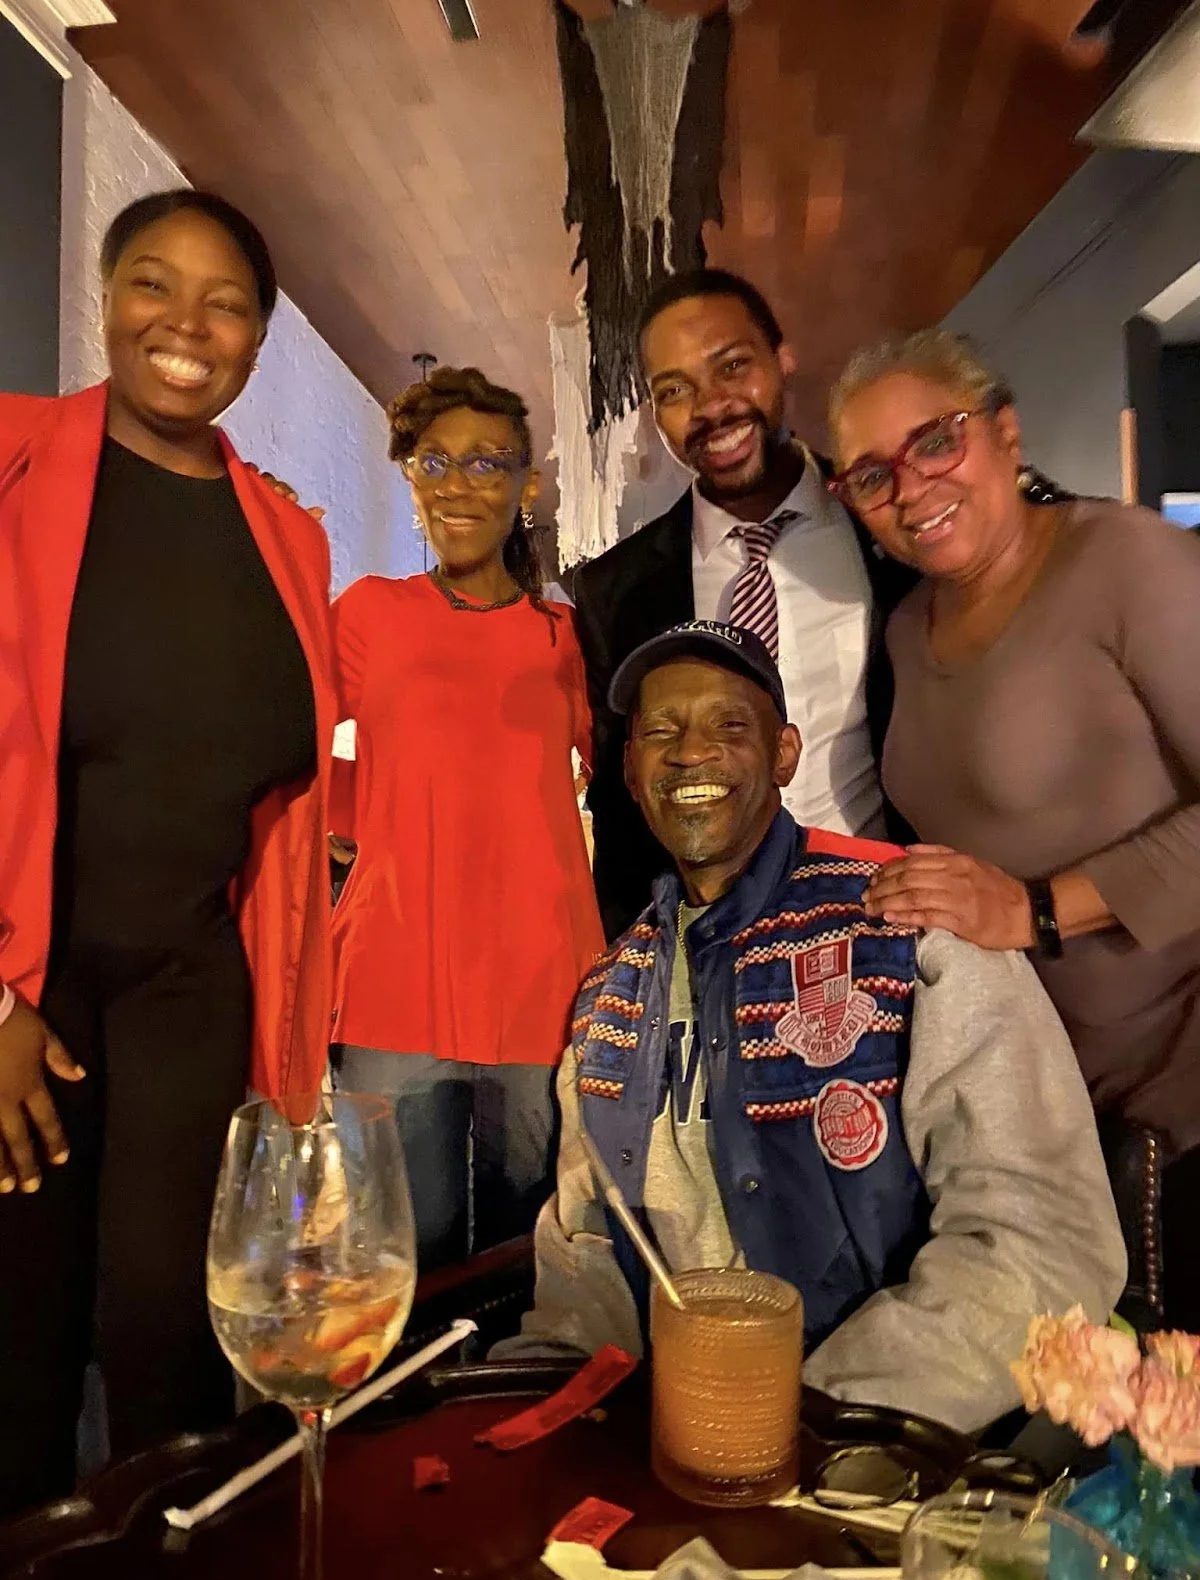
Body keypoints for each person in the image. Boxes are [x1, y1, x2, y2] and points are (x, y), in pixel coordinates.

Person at [502, 620, 1124, 1434]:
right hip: (662, 1459)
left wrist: (815, 1419)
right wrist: (549, 1416)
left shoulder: (909, 924)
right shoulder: (607, 997)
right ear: (630, 770)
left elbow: (1042, 1240)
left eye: (730, 725)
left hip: (884, 1458)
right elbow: (585, 1249)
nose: (692, 753)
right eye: (661, 731)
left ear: (785, 755)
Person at [0, 189, 337, 1515]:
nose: (186, 326)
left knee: (172, 1332)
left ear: (257, 338)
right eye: (154, 284)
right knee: (17, 1338)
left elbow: (288, 805)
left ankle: (166, 1570)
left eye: (227, 303)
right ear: (104, 294)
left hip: (192, 986)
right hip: (32, 982)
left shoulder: (289, 536)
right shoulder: (13, 458)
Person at [828, 329, 1200, 1335]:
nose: (911, 487)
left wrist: (1036, 909)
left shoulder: (1127, 559)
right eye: (871, 475)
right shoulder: (909, 628)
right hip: (1026, 1104)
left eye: (936, 441)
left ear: (1004, 430)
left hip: (1171, 1099)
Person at [330, 367, 604, 1272]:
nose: (457, 484)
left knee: (536, 1254)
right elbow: (280, 742)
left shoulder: (563, 640)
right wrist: (361, 820)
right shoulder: (372, 612)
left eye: (487, 463)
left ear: (527, 484)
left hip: (542, 981)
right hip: (393, 979)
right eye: (433, 462)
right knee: (407, 1252)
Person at [571, 269, 918, 942]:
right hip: (710, 944)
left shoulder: (889, 530)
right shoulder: (616, 590)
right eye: (675, 390)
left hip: (886, 920)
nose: (712, 406)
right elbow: (619, 799)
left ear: (782, 359)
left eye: (732, 366)